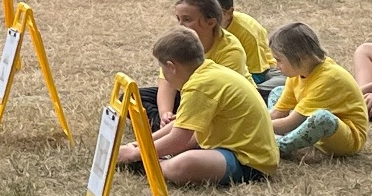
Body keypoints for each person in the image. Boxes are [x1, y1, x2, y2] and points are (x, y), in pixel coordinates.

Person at [118, 28, 279, 187]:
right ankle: (152, 160)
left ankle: (149, 164)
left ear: (172, 67)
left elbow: (178, 140)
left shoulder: (199, 86)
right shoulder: (206, 71)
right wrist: (139, 144)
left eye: (163, 69)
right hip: (237, 150)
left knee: (183, 165)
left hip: (248, 161)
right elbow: (180, 125)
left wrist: (135, 154)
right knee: (183, 150)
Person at [142, 0, 247, 131]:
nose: (180, 25)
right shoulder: (179, 42)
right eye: (178, 19)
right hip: (189, 92)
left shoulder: (231, 50)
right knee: (131, 98)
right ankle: (165, 126)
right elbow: (168, 81)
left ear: (210, 22)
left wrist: (186, 117)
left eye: (187, 19)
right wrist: (165, 114)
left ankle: (169, 130)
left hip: (214, 101)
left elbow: (218, 97)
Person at [268, 22, 369, 160]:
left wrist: (257, 127)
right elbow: (278, 112)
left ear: (299, 57)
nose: (276, 66)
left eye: (279, 60)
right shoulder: (298, 73)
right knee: (277, 91)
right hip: (313, 128)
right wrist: (255, 122)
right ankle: (277, 136)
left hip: (347, 137)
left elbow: (290, 123)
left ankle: (279, 146)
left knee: (322, 118)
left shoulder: (328, 78)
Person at [197, 0, 278, 89]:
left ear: (229, 13)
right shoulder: (194, 29)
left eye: (213, 15)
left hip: (261, 71)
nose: (205, 20)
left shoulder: (247, 33)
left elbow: (258, 73)